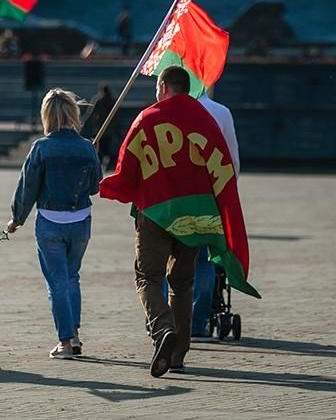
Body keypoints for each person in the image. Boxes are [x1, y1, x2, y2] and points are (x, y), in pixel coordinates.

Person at [101, 65, 242, 377]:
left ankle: (163, 329)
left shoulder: (147, 118)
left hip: (155, 212)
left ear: (164, 87)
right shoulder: (204, 120)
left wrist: (106, 187)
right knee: (182, 282)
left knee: (148, 277)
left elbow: (126, 169)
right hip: (194, 215)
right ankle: (177, 355)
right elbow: (223, 167)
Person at [6, 88, 101, 359]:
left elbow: (27, 187)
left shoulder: (42, 147)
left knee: (57, 282)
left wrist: (17, 218)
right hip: (80, 220)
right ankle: (76, 334)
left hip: (50, 221)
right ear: (73, 113)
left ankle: (65, 341)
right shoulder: (86, 146)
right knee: (72, 277)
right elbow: (95, 187)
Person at [190, 89, 240, 342]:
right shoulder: (221, 112)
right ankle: (198, 323)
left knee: (167, 260)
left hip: (171, 201)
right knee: (204, 261)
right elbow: (232, 161)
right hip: (209, 198)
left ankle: (165, 320)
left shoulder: (163, 112)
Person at [83, 83, 117, 169]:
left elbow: (90, 113)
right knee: (106, 148)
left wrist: (83, 121)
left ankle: (101, 163)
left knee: (100, 148)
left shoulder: (98, 100)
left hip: (100, 129)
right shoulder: (112, 100)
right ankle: (105, 162)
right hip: (108, 129)